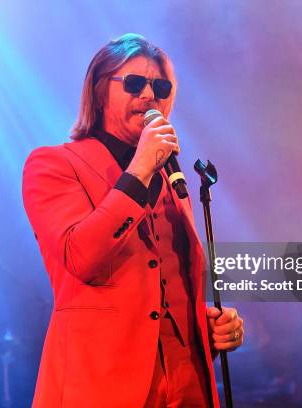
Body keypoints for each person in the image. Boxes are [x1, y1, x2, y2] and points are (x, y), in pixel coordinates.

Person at [22, 33, 244, 408]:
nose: (148, 96)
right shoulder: (55, 165)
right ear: (97, 91)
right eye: (134, 83)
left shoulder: (171, 178)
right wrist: (140, 168)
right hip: (99, 389)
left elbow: (167, 291)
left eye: (159, 86)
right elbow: (82, 256)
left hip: (186, 388)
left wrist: (208, 332)